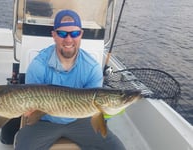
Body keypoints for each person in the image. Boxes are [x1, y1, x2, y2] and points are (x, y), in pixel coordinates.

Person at [13, 9, 126, 150]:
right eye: (62, 33)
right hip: (45, 121)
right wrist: (27, 109)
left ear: (81, 34)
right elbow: (30, 105)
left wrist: (108, 111)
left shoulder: (92, 68)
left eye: (74, 33)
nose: (68, 39)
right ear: (54, 35)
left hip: (79, 121)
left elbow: (97, 111)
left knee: (116, 148)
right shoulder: (37, 66)